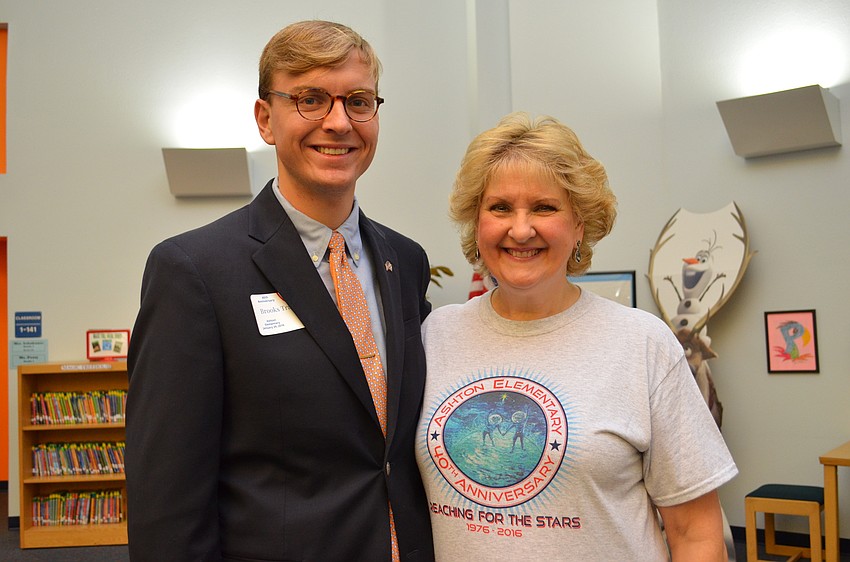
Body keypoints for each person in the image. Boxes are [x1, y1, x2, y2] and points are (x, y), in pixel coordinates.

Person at [126, 20, 434, 561]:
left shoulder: (403, 262)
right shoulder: (194, 270)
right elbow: (167, 497)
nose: (339, 122)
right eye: (311, 99)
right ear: (266, 119)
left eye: (358, 101)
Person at [415, 112, 737, 561]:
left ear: (580, 225)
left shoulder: (642, 343)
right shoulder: (434, 335)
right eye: (500, 207)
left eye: (544, 208)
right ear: (477, 222)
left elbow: (696, 534)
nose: (521, 229)